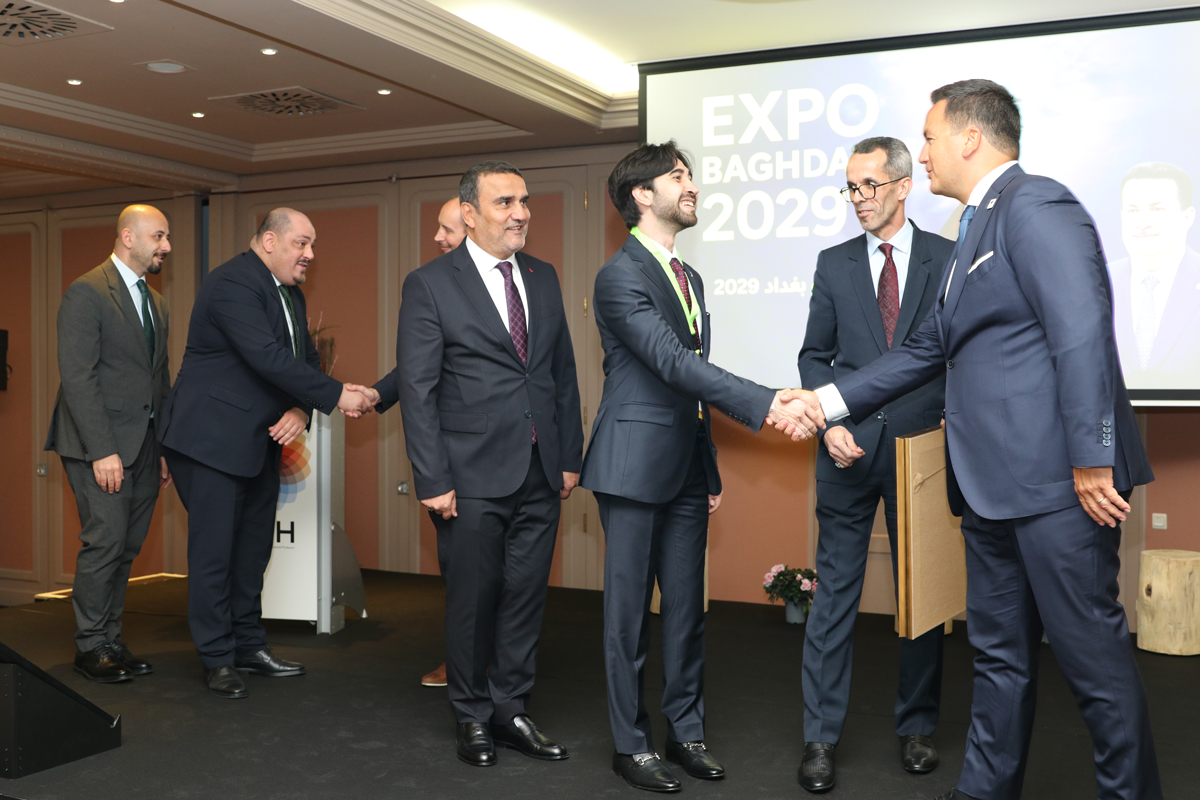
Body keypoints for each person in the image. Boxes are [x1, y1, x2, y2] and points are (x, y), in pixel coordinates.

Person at [794, 80, 1160, 800]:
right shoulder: (971, 231)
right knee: (998, 663)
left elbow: (1082, 331)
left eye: (928, 139)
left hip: (1058, 488)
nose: (922, 154)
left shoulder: (1036, 205)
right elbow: (927, 348)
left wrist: (1092, 456)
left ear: (969, 139)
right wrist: (825, 400)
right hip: (987, 495)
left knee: (1093, 667)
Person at [581, 141, 825, 794]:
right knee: (628, 619)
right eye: (678, 177)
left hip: (687, 465)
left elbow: (688, 389)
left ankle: (684, 732)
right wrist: (768, 402)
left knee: (687, 611)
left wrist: (710, 467)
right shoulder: (620, 275)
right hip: (630, 466)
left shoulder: (689, 278)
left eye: (690, 176)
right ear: (641, 195)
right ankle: (629, 747)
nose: (691, 187)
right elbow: (671, 362)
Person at [388, 161, 584, 768]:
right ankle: (471, 714)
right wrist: (433, 479)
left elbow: (560, 374)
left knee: (525, 597)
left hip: (539, 469)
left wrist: (569, 456)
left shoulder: (543, 276)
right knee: (473, 599)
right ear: (469, 213)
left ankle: (511, 708)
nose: (521, 212)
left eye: (524, 201)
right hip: (467, 477)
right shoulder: (430, 284)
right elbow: (417, 391)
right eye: (505, 202)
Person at [159, 208, 376, 699]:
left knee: (254, 551)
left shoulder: (290, 294)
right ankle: (217, 657)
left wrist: (302, 407)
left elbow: (301, 361)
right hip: (208, 441)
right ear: (270, 241)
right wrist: (337, 395)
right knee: (215, 555)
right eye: (302, 244)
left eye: (313, 245)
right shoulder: (231, 284)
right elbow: (265, 357)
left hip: (257, 442)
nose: (310, 256)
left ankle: (249, 647)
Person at [796, 137, 954, 793]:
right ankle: (819, 740)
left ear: (901, 185)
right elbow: (814, 358)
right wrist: (829, 421)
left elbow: (960, 352)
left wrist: (953, 422)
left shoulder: (948, 259)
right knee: (832, 600)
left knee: (923, 597)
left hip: (924, 451)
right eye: (850, 188)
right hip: (848, 450)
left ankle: (917, 727)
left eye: (868, 186)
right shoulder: (833, 265)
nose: (858, 199)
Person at [46, 204, 174, 683]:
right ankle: (90, 646)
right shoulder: (87, 291)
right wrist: (103, 450)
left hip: (143, 446)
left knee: (127, 545)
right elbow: (77, 377)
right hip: (96, 446)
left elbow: (159, 381)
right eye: (159, 237)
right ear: (128, 237)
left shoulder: (157, 301)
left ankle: (110, 639)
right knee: (104, 542)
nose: (166, 247)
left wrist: (161, 450)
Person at [1108, 162, 1200, 382]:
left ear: (1187, 217)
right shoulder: (1097, 283)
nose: (1142, 223)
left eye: (1157, 209)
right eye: (1132, 211)